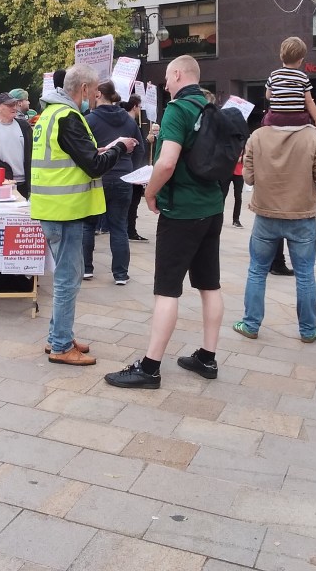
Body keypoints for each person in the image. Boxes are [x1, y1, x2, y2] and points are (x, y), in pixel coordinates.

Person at [104, 55, 225, 389]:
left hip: (182, 211)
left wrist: (150, 193)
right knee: (209, 284)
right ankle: (207, 356)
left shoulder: (178, 110)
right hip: (212, 207)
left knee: (167, 290)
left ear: (177, 74)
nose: (166, 85)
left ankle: (150, 366)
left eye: (168, 80)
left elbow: (168, 162)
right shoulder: (210, 108)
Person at [31, 65, 137, 366]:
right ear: (84, 88)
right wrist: (118, 148)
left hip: (52, 209)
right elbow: (93, 165)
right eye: (92, 91)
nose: (93, 96)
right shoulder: (69, 117)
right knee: (68, 278)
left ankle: (57, 336)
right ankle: (62, 346)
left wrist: (103, 148)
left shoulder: (51, 114)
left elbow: (71, 155)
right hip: (65, 211)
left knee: (67, 276)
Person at [231, 96, 316, 343]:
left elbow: (249, 178)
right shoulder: (313, 138)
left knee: (257, 271)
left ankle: (251, 324)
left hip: (266, 215)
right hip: (301, 216)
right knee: (305, 275)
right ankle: (308, 330)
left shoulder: (258, 136)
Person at [82, 82, 145, 284]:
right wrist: (131, 172)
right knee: (119, 226)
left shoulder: (88, 120)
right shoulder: (129, 121)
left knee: (88, 225)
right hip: (123, 177)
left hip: (96, 177)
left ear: (98, 94)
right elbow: (140, 150)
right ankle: (120, 274)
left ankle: (86, 268)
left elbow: (83, 150)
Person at [262, 37, 316, 130]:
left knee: (265, 119)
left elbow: (268, 96)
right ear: (300, 60)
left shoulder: (274, 75)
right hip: (298, 120)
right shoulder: (303, 77)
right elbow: (308, 101)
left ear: (281, 56)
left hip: (276, 119)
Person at [0, 92, 32, 197]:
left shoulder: (24, 126)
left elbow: (33, 151)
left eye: (15, 104)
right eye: (9, 105)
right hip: (2, 183)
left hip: (25, 182)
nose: (14, 108)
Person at [122, 94, 149, 242]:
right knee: (132, 203)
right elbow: (138, 148)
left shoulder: (124, 123)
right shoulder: (131, 124)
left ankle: (129, 229)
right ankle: (130, 230)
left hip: (129, 169)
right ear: (134, 106)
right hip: (133, 171)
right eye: (139, 106)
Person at [222, 152, 244, 228]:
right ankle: (219, 216)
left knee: (238, 197)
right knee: (222, 195)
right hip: (227, 171)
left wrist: (240, 159)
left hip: (239, 173)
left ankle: (236, 219)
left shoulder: (245, 144)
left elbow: (247, 157)